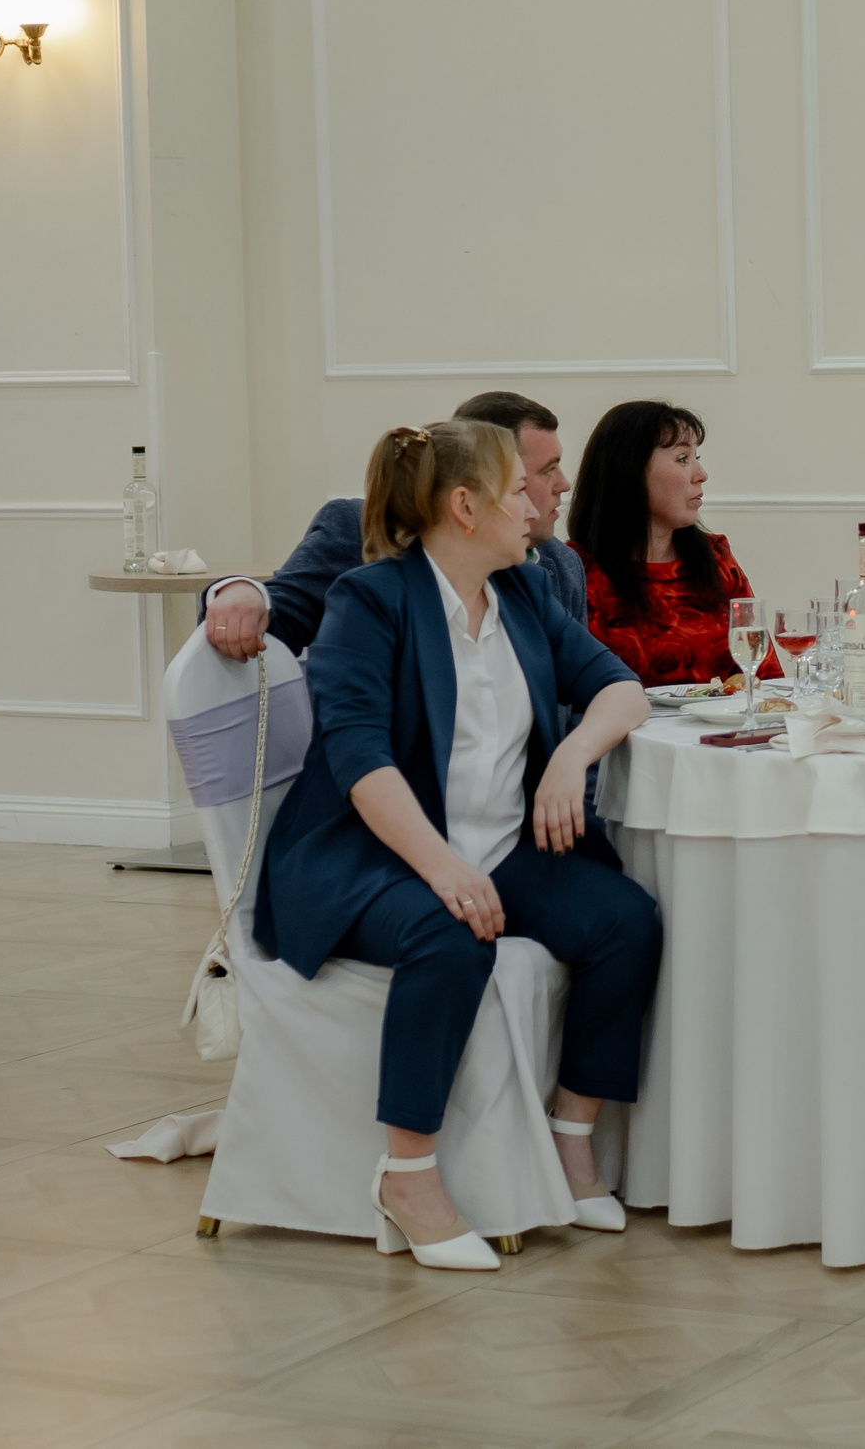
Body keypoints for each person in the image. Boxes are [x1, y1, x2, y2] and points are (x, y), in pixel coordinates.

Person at [257, 420, 659, 1270]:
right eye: (520, 489)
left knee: (626, 921)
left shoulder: (521, 594)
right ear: (464, 505)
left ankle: (568, 1137)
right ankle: (408, 1172)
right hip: (375, 853)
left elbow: (620, 689)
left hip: (501, 843)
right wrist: (444, 869)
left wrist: (570, 759)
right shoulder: (369, 599)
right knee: (449, 929)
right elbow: (358, 759)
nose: (538, 504)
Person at [202, 392, 580, 661]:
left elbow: (583, 699)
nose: (563, 484)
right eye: (546, 470)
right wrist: (241, 591)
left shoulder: (556, 566)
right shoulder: (360, 536)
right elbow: (277, 619)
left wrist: (574, 770)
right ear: (475, 486)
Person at [567, 399, 770, 687]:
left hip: (721, 731)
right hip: (623, 732)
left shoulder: (716, 557)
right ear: (630, 470)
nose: (701, 474)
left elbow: (764, 675)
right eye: (682, 459)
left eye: (696, 457)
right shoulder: (574, 570)